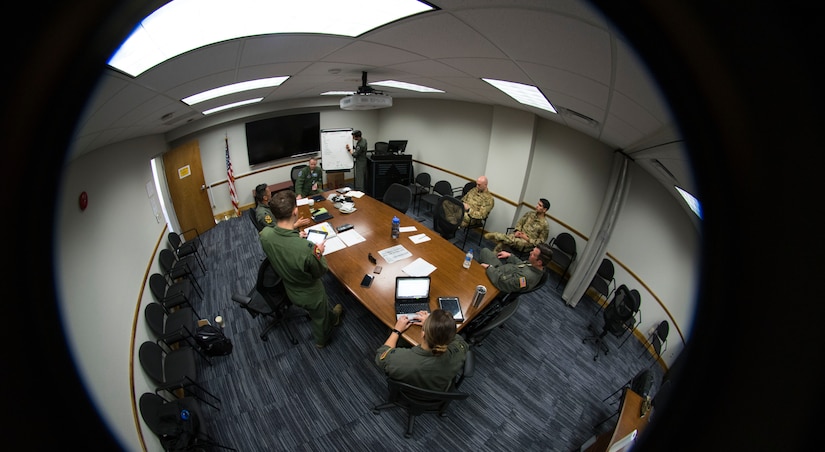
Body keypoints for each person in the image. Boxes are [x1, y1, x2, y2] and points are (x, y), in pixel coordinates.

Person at [259, 190, 343, 348]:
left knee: (321, 312)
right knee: (320, 317)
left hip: (290, 289)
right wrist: (318, 251)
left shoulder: (265, 234)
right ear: (295, 211)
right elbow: (321, 271)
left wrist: (295, 235)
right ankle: (321, 341)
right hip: (311, 294)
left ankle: (331, 316)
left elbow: (279, 240)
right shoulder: (307, 249)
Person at [374, 309, 468, 391]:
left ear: (423, 334)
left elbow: (380, 356)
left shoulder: (401, 359)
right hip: (438, 391)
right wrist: (436, 326)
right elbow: (458, 339)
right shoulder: (458, 351)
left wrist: (396, 331)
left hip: (407, 390)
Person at [476, 243, 553, 293]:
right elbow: (522, 265)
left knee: (480, 266)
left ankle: (480, 280)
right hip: (503, 271)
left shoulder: (525, 278)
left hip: (499, 280)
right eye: (532, 251)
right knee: (485, 251)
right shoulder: (536, 266)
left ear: (539, 262)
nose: (530, 253)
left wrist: (490, 268)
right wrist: (510, 256)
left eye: (533, 254)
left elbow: (504, 283)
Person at [484, 198, 551, 253]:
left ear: (545, 210)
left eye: (540, 205)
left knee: (508, 240)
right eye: (537, 204)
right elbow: (520, 223)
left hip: (527, 243)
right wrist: (517, 231)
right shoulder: (530, 214)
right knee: (505, 241)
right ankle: (494, 255)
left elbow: (541, 242)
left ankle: (496, 235)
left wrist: (527, 238)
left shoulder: (545, 225)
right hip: (518, 235)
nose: (537, 206)